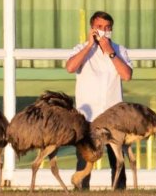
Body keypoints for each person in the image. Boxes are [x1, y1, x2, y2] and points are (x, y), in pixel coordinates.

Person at [66, 11, 133, 189]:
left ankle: (119, 190)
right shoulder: (81, 49)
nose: (104, 31)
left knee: (117, 158)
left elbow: (126, 75)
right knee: (85, 158)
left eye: (107, 28)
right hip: (88, 117)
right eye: (100, 27)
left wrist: (111, 53)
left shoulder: (120, 50)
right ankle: (81, 189)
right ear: (92, 28)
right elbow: (70, 67)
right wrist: (89, 46)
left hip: (113, 117)